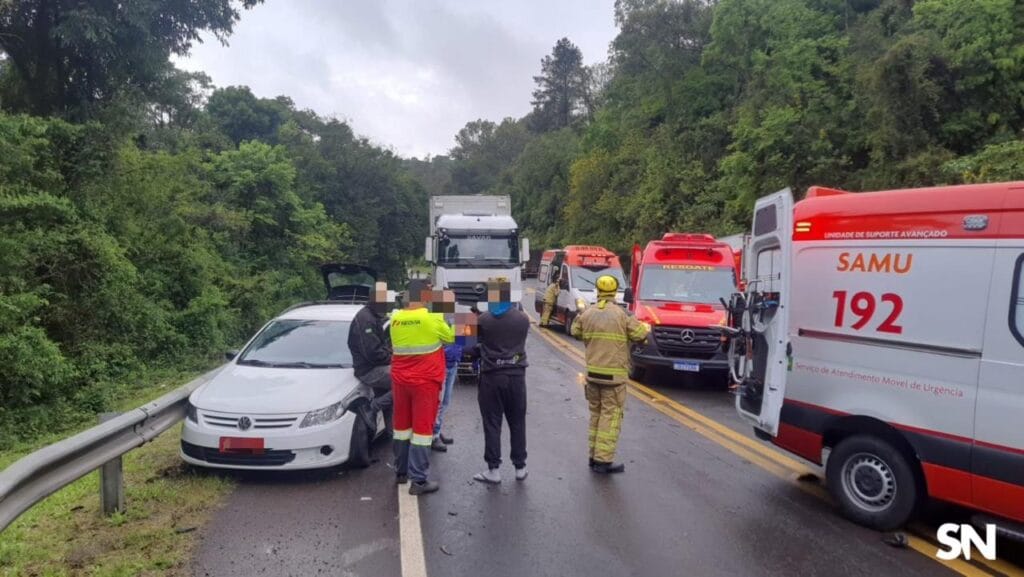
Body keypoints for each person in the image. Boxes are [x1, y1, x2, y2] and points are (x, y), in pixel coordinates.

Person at [571, 275, 650, 474]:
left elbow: (575, 331)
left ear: (598, 290)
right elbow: (641, 335)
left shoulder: (587, 313)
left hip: (593, 376)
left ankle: (593, 456)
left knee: (595, 416)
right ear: (615, 291)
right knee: (610, 418)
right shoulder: (623, 315)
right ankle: (603, 461)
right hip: (613, 380)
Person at [390, 282, 455, 495]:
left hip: (400, 382)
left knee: (401, 428)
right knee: (422, 431)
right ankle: (418, 481)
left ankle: (401, 473)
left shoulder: (395, 319)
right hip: (425, 383)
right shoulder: (432, 319)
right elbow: (451, 337)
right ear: (425, 297)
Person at [472, 280, 530, 484]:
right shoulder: (523, 319)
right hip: (516, 376)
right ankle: (520, 467)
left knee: (492, 423)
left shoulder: (483, 320)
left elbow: (467, 345)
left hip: (491, 377)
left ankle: (493, 470)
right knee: (517, 421)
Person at [347, 282, 393, 432]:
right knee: (406, 379)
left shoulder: (373, 315)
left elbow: (380, 346)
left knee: (392, 405)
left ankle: (391, 435)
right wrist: (391, 357)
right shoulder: (366, 319)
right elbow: (373, 354)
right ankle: (373, 407)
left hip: (376, 366)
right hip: (368, 370)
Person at [432, 290, 460, 452]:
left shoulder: (454, 317)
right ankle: (434, 435)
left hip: (452, 365)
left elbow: (464, 341)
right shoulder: (434, 320)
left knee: (445, 402)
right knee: (439, 403)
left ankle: (438, 429)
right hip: (440, 366)